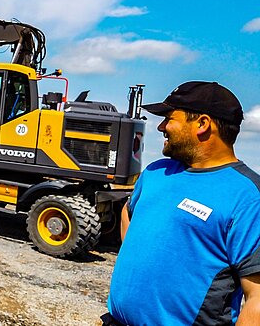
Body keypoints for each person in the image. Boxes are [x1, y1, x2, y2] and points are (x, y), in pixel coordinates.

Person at [104, 81, 260, 326]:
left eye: (169, 118)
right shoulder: (156, 172)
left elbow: (257, 299)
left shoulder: (248, 196)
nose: (161, 126)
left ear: (202, 124)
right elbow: (129, 211)